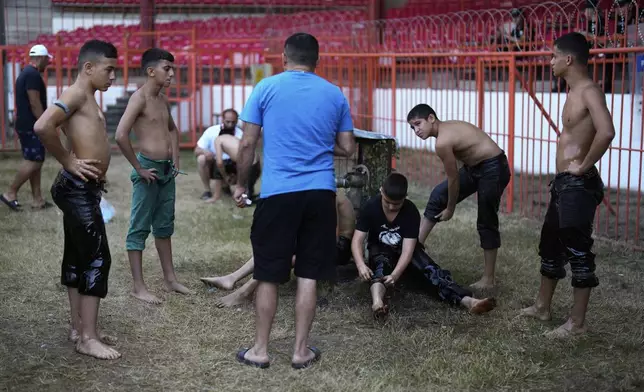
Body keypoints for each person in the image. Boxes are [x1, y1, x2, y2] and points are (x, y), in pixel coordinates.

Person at [231, 32, 356, 370]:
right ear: (317, 61)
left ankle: (260, 350)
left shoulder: (266, 88)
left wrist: (241, 185)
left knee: (269, 273)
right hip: (320, 194)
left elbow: (246, 145)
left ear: (283, 58)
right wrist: (314, 146)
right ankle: (301, 351)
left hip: (278, 194)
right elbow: (348, 148)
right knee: (309, 275)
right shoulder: (333, 93)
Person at [520, 32, 614, 338]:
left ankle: (577, 325)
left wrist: (584, 166)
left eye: (552, 56)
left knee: (577, 250)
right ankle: (542, 307)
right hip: (562, 183)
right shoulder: (572, 91)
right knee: (550, 244)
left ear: (568, 59)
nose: (549, 62)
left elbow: (607, 131)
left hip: (578, 184)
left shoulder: (589, 91)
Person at [33, 39, 121, 360]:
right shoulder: (76, 93)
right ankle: (87, 337)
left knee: (76, 256)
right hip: (75, 188)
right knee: (98, 258)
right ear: (88, 67)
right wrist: (69, 162)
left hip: (83, 186)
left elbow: (88, 140)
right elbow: (43, 126)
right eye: (109, 69)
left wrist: (96, 173)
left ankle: (79, 326)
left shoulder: (88, 97)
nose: (113, 76)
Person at [351, 173, 496, 320]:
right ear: (381, 191)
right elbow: (357, 239)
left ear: (405, 197)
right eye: (387, 202)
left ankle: (469, 302)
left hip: (404, 253)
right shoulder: (370, 207)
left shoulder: (410, 211)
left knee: (432, 271)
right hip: (380, 250)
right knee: (380, 268)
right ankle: (377, 304)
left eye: (397, 204)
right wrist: (360, 265)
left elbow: (408, 251)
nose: (391, 207)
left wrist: (395, 274)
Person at [115, 48, 192, 305]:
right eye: (167, 68)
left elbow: (172, 129)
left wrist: (175, 160)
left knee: (164, 225)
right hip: (147, 170)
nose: (172, 73)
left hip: (166, 171)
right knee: (139, 227)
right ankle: (139, 287)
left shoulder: (162, 99)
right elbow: (120, 135)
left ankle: (170, 279)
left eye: (172, 69)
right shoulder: (139, 99)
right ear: (151, 71)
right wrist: (138, 168)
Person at [407, 104, 511, 290]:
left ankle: (489, 279)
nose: (416, 130)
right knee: (438, 195)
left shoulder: (442, 142)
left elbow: (453, 178)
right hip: (476, 167)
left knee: (486, 220)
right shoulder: (445, 131)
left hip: (493, 167)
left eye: (418, 124)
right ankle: (414, 250)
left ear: (431, 118)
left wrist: (450, 209)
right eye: (412, 127)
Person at [200, 191, 356, 308]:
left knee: (288, 255)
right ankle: (231, 278)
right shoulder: (313, 191)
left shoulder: (328, 194)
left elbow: (329, 238)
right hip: (321, 241)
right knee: (274, 248)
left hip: (338, 247)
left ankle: (245, 291)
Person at [1, 44, 53, 211]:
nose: (48, 63)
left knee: (35, 159)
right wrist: (44, 122)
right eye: (47, 59)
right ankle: (10, 193)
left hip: (25, 123)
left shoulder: (26, 73)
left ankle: (37, 200)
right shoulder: (32, 75)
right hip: (32, 125)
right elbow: (34, 101)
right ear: (41, 58)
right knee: (35, 160)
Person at [194, 109, 243, 202]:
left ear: (237, 121)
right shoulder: (212, 131)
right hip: (217, 163)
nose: (230, 124)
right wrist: (205, 152)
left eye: (233, 122)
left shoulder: (240, 134)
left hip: (232, 165)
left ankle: (228, 188)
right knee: (202, 159)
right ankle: (208, 191)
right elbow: (196, 150)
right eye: (228, 121)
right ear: (222, 120)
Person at [213, 133, 262, 202]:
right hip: (256, 161)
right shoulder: (232, 138)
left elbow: (219, 163)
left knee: (243, 199)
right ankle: (250, 194)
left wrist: (225, 176)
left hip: (248, 163)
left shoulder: (217, 140)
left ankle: (252, 197)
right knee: (248, 189)